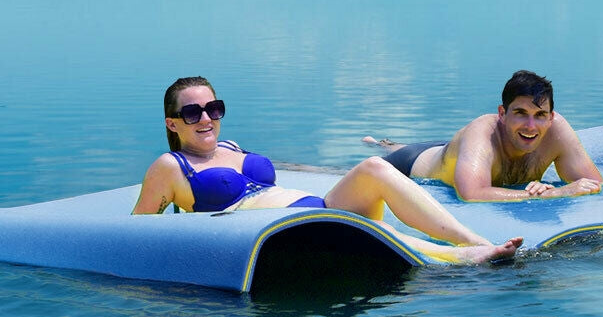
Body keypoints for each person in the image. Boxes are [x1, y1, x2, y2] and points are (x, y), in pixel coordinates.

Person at [133, 77, 521, 265]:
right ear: (173, 124)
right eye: (192, 112)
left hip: (316, 207)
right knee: (377, 227)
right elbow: (136, 230)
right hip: (283, 230)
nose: (206, 118)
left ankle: (472, 240)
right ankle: (459, 259)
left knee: (373, 165)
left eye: (213, 109)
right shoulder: (170, 167)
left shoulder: (231, 148)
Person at [365, 70, 603, 202]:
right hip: (412, 163)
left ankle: (387, 143)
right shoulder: (482, 133)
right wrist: (555, 192)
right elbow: (471, 193)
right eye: (520, 113)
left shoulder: (557, 130)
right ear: (502, 113)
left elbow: (594, 184)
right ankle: (379, 143)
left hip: (457, 153)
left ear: (551, 117)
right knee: (378, 159)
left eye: (540, 115)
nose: (531, 126)